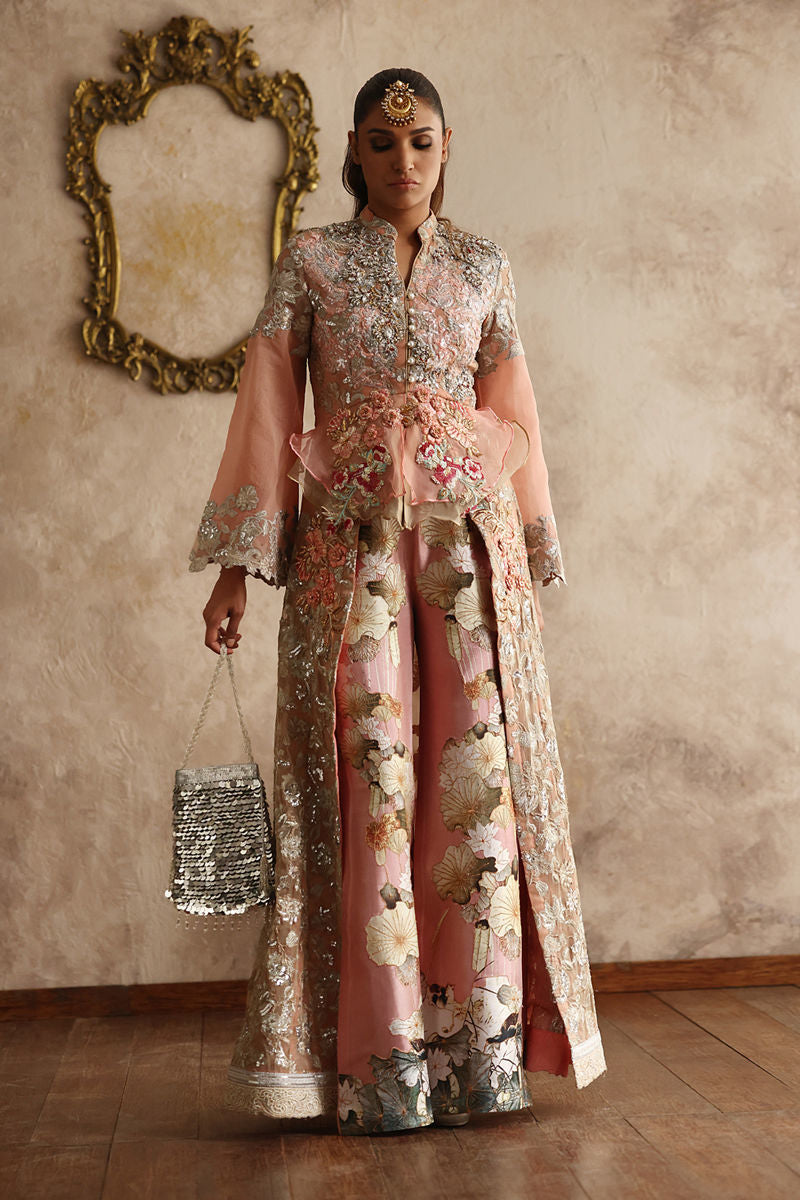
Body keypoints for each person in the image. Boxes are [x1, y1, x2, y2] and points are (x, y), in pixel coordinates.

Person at [190, 67, 607, 1136]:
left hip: (468, 555)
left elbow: (513, 408)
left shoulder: (482, 265)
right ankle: (378, 1064)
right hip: (349, 552)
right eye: (382, 142)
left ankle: (478, 1057)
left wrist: (531, 548)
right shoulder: (313, 260)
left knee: (471, 791)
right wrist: (238, 565)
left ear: (446, 145)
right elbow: (268, 403)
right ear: (355, 152)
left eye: (420, 141)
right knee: (369, 777)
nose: (404, 160)